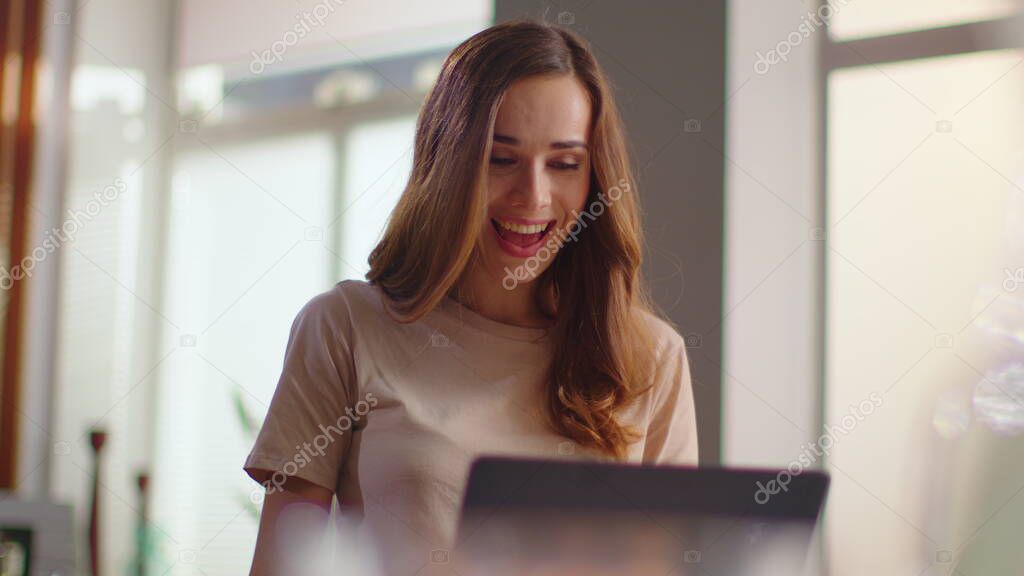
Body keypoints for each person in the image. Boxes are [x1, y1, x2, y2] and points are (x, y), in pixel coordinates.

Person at [244, 19, 699, 576]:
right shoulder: (344, 327)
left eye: (564, 164)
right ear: (448, 164)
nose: (532, 195)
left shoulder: (651, 356)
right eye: (500, 159)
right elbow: (282, 567)